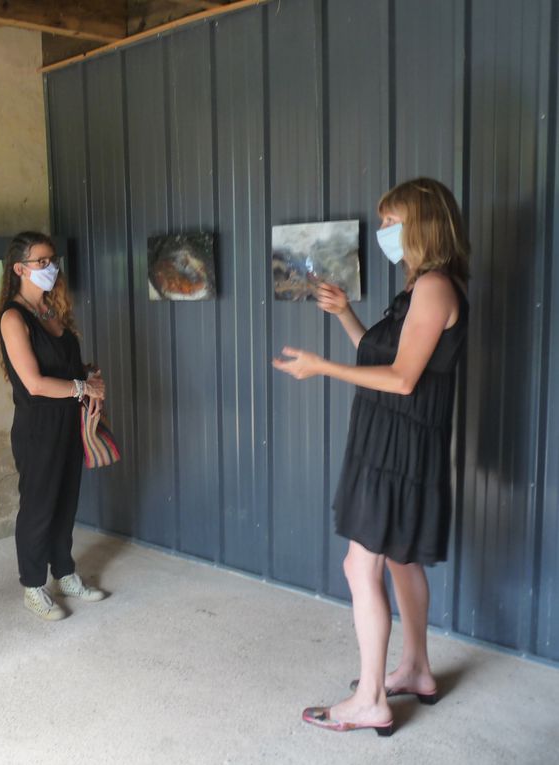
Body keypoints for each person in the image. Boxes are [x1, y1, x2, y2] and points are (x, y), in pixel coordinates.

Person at [272, 178, 470, 736]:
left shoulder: (434, 287)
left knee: (361, 566)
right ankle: (417, 670)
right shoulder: (418, 288)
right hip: (391, 442)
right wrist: (342, 314)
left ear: (423, 224)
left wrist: (321, 368)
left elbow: (403, 379)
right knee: (401, 559)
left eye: (390, 222)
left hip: (399, 448)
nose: (384, 232)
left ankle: (372, 699)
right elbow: (380, 354)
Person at [0, 232, 108, 620]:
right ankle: (32, 586)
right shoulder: (14, 317)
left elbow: (63, 368)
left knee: (65, 503)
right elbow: (35, 383)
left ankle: (65, 573)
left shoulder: (51, 311)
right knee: (39, 508)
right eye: (41, 261)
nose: (50, 268)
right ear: (19, 268)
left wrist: (87, 374)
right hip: (38, 428)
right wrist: (81, 386)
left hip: (69, 422)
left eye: (52, 260)